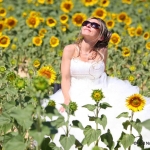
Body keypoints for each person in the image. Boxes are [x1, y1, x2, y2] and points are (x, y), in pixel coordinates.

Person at [41, 17, 150, 150]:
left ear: (101, 37)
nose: (88, 25)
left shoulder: (102, 51)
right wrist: (67, 99)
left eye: (94, 25)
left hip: (101, 89)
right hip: (75, 91)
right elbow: (65, 78)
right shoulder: (70, 49)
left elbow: (102, 72)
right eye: (86, 23)